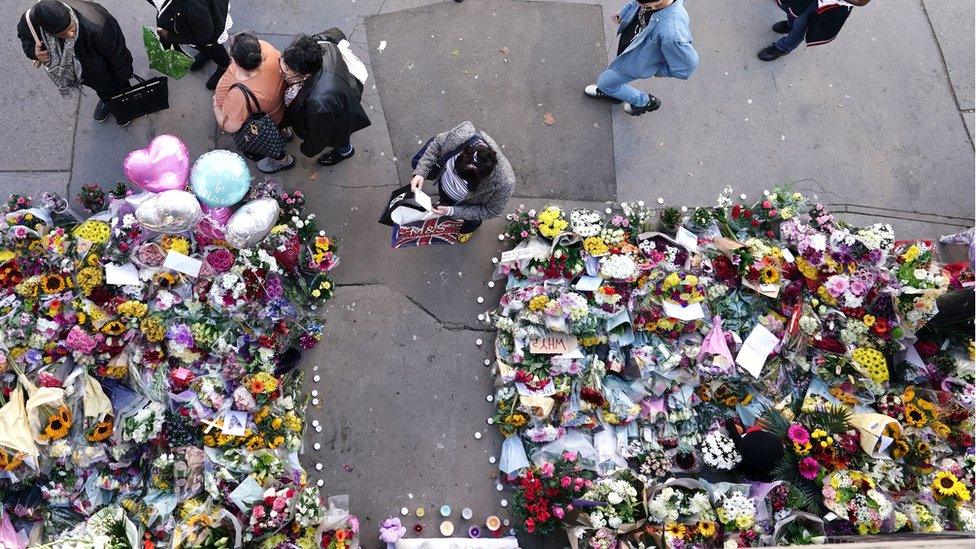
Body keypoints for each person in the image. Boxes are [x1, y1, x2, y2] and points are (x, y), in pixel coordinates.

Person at [17, 0, 133, 125]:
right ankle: (108, 100)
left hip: (103, 69)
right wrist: (33, 52)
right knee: (102, 89)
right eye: (63, 34)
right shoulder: (32, 19)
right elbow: (25, 37)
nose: (71, 34)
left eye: (71, 28)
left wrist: (125, 74)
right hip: (83, 72)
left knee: (116, 87)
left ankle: (125, 106)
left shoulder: (96, 23)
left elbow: (116, 52)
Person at [583, 0, 698, 117]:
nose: (639, 5)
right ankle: (616, 94)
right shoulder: (651, 4)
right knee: (617, 79)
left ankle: (644, 102)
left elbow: (686, 67)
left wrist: (655, 69)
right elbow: (635, 3)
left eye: (644, 5)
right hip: (630, 47)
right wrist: (624, 12)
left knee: (604, 83)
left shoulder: (672, 33)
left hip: (635, 64)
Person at [409, 121, 515, 238]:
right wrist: (421, 172)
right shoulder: (461, 135)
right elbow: (437, 145)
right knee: (444, 199)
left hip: (469, 204)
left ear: (484, 176)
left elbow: (491, 211)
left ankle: (466, 231)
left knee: (470, 222)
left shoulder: (505, 183)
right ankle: (444, 202)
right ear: (462, 154)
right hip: (444, 188)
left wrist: (453, 212)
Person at [280, 31, 370, 167]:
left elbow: (321, 134)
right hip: (346, 89)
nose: (281, 72)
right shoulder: (321, 47)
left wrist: (307, 149)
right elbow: (333, 34)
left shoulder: (318, 102)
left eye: (285, 71)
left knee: (340, 136)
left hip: (341, 111)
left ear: (304, 75)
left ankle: (345, 151)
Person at [212, 32, 293, 173]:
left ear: (236, 63)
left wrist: (215, 105)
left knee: (270, 143)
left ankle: (283, 160)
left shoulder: (240, 94)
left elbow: (231, 127)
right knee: (281, 126)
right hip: (284, 109)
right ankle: (285, 133)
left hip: (268, 123)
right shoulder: (266, 48)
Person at [147, 0, 231, 90]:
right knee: (201, 44)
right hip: (192, 20)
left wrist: (170, 37)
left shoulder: (193, 6)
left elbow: (206, 35)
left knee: (210, 45)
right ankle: (206, 53)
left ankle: (224, 65)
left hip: (206, 30)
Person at [758, 0, 871, 61]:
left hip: (827, 5)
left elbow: (862, 1)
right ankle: (790, 24)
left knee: (802, 26)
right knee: (792, 9)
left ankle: (783, 47)